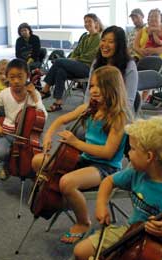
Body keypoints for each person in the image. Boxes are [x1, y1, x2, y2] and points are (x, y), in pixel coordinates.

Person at [32, 66, 131, 244]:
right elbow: (61, 120)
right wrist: (48, 136)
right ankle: (58, 199)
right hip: (85, 159)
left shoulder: (119, 117)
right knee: (38, 161)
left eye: (99, 86)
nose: (93, 90)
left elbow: (108, 153)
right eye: (91, 86)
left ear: (112, 88)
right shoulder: (89, 108)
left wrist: (76, 143)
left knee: (67, 182)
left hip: (105, 168)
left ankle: (83, 221)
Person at [74, 115, 162, 260]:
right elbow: (108, 181)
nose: (128, 154)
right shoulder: (137, 173)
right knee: (81, 251)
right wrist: (101, 204)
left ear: (149, 157)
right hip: (133, 232)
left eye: (132, 149)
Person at [0, 58, 48, 179]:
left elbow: (44, 116)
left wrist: (35, 97)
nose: (16, 81)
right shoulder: (4, 93)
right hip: (8, 134)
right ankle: (7, 165)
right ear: (7, 77)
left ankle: (31, 172)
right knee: (2, 153)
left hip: (28, 136)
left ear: (27, 76)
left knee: (37, 156)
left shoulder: (33, 94)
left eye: (20, 77)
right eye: (12, 77)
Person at [40, 13, 103, 112]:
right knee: (61, 71)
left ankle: (46, 89)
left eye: (89, 21)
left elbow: (91, 56)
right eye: (85, 22)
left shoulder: (98, 38)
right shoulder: (85, 37)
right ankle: (58, 102)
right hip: (77, 65)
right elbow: (76, 51)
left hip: (87, 68)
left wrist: (75, 59)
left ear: (96, 22)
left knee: (59, 61)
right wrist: (73, 58)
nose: (86, 24)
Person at [84, 26, 138, 111]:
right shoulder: (97, 62)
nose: (105, 45)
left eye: (111, 42)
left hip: (119, 114)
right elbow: (88, 93)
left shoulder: (129, 65)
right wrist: (87, 111)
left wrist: (106, 115)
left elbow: (128, 102)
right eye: (103, 40)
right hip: (96, 110)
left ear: (119, 45)